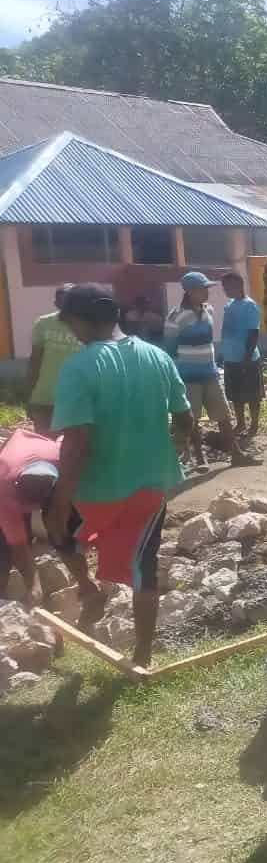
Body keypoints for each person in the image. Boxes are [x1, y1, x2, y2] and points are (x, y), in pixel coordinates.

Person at [46, 284, 194, 667]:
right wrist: (175, 447)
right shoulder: (157, 356)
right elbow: (184, 416)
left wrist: (61, 502)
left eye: (70, 323)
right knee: (143, 565)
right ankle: (142, 656)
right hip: (151, 486)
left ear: (81, 320)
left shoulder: (78, 367)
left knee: (65, 538)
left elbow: (76, 443)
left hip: (96, 491)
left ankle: (88, 588)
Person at [164, 272, 259, 472]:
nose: (207, 292)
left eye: (207, 288)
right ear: (190, 292)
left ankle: (236, 454)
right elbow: (170, 349)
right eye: (202, 289)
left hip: (210, 373)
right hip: (188, 376)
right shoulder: (176, 316)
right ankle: (200, 459)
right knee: (193, 418)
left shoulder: (208, 310)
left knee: (223, 415)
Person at [0, 428, 96, 618]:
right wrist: (33, 586)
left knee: (62, 529)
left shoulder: (67, 464)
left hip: (45, 456)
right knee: (3, 548)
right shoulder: (4, 489)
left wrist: (84, 579)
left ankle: (86, 586)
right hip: (13, 458)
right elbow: (18, 545)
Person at [26, 284, 79, 436]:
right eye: (63, 301)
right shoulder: (43, 323)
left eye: (72, 301)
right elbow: (35, 361)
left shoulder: (88, 326)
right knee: (44, 445)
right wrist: (29, 396)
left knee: (73, 448)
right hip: (44, 399)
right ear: (55, 303)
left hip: (77, 400)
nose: (67, 305)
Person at [219, 272, 263, 438]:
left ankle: (254, 425)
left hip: (247, 359)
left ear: (239, 285)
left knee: (253, 394)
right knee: (235, 394)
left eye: (228, 287)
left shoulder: (249, 305)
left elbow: (254, 333)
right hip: (231, 358)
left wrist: (246, 357)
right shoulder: (230, 304)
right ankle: (240, 423)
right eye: (224, 287)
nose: (225, 290)